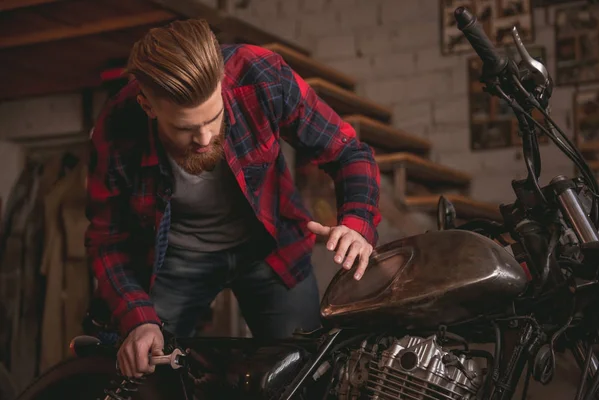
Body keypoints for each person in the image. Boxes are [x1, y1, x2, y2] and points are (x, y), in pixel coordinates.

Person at [85, 18, 381, 379]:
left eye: (213, 117)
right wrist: (137, 320)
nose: (206, 139)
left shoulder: (263, 76)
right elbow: (107, 239)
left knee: (306, 374)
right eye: (184, 128)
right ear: (148, 106)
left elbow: (348, 152)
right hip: (176, 261)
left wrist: (355, 223)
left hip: (271, 248)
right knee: (148, 373)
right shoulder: (117, 126)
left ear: (222, 81)